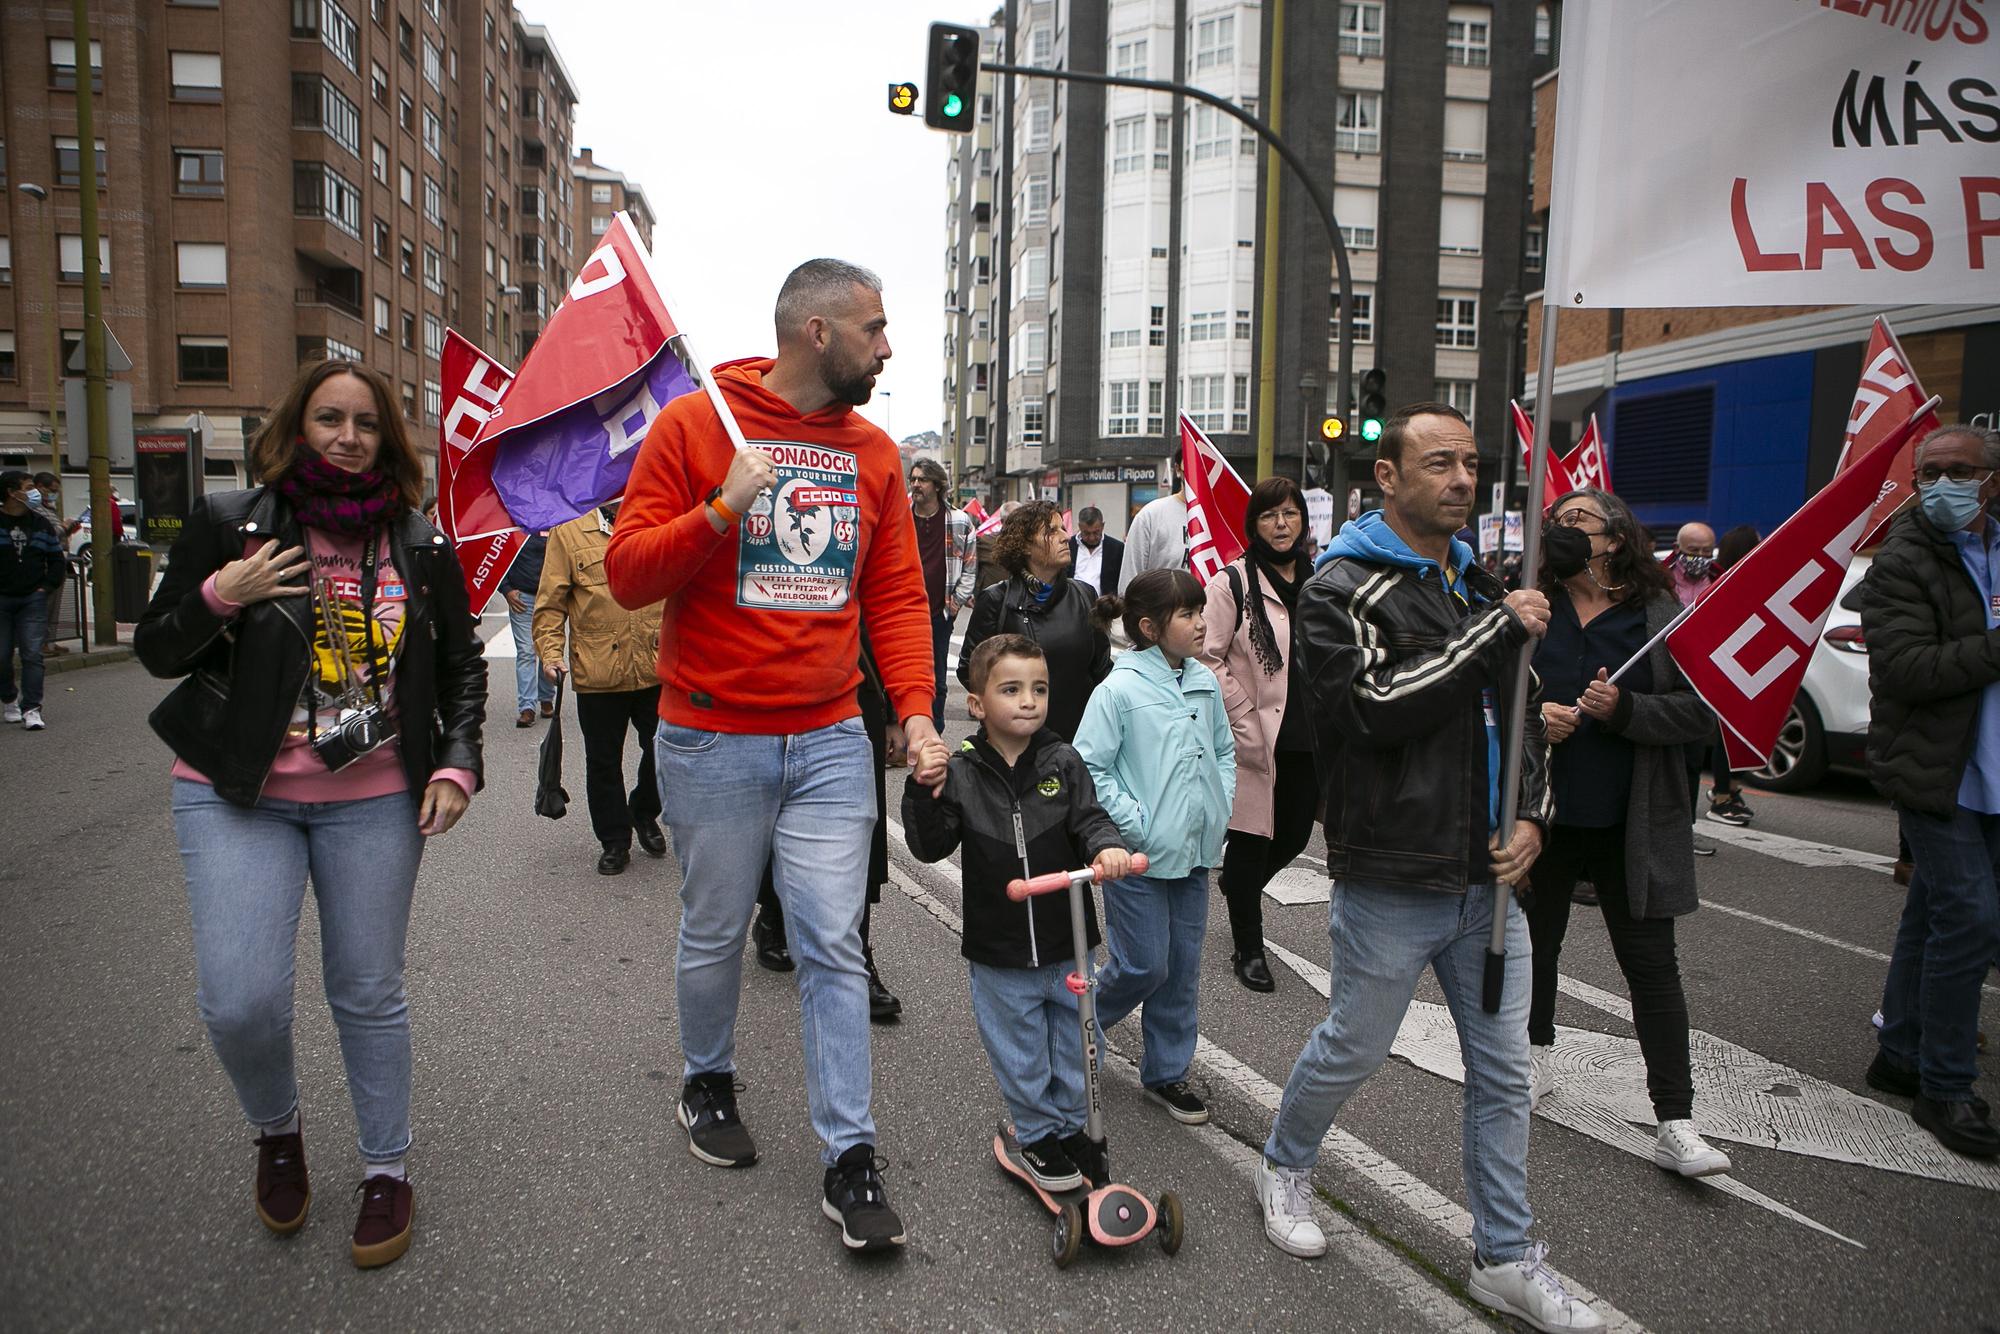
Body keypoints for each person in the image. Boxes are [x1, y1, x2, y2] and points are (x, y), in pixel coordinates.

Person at [603, 258, 942, 1253]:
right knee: (711, 928)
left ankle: (849, 1153)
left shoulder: (873, 453)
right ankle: (706, 1078)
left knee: (831, 939)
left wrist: (916, 712)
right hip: (710, 736)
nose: (887, 346)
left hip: (832, 736)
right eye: (874, 328)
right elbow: (625, 574)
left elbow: (894, 596)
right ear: (818, 333)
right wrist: (718, 511)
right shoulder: (695, 426)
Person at [133, 358, 486, 1269]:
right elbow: (158, 650)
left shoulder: (420, 541)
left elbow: (459, 668)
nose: (346, 436)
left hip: (371, 799)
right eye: (328, 418)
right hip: (234, 791)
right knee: (241, 1002)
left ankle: (385, 1168)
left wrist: (456, 761)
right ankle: (277, 1130)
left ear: (387, 439)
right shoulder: (229, 523)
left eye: (365, 423)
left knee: (367, 991)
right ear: (298, 427)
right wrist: (225, 594)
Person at [1258, 403, 1601, 1334]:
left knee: (1504, 1073)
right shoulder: (1342, 589)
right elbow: (1370, 706)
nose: (1460, 479)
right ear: (1389, 478)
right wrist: (1493, 633)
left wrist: (1532, 815)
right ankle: (1286, 1165)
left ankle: (1503, 1255)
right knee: (1355, 1045)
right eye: (1440, 463)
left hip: (1487, 885)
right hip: (1392, 877)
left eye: (1472, 464)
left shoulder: (1479, 583)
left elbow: (1520, 714)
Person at [1526, 488, 1734, 1178]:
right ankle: (1534, 1060)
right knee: (1534, 949)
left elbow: (1701, 715)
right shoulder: (1532, 608)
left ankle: (1676, 1121)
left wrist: (1625, 709)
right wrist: (1538, 718)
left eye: (1577, 520)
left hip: (1629, 826)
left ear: (1616, 539)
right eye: (1556, 522)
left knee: (1652, 970)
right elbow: (1489, 698)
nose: (1562, 529)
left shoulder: (1659, 618)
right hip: (1545, 818)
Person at [902, 635, 1131, 1189]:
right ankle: (1034, 1133)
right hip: (1000, 949)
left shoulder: (1063, 760)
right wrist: (922, 790)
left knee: (1079, 1043)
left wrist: (1105, 846)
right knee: (1022, 1051)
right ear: (977, 704)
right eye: (1011, 689)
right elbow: (930, 846)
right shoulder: (960, 771)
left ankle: (1074, 1126)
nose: (1029, 701)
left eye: (1039, 689)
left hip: (1067, 941)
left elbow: (1088, 819)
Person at [1859, 423, 2000, 1160]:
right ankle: (1946, 1086)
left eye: (1961, 471)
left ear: (1992, 481)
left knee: (1934, 913)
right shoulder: (1901, 562)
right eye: (1930, 473)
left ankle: (1900, 1052)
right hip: (1935, 772)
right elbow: (1910, 668)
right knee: (1972, 918)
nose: (1944, 484)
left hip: (1994, 774)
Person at [1073, 569, 1234, 1127]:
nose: (1200, 622)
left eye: (1199, 611)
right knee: (1144, 964)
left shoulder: (1205, 681)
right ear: (1149, 626)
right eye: (1188, 613)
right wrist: (1135, 824)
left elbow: (1223, 751)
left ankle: (1166, 1072)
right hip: (1137, 858)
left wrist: (1219, 805)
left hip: (1192, 852)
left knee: (1182, 968)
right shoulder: (1118, 689)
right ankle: (1079, 1027)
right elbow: (1088, 767)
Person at [1199, 477, 1317, 994]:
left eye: (1290, 514)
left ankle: (1237, 889)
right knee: (1250, 842)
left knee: (1292, 834)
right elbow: (1208, 657)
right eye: (1270, 516)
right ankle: (1249, 947)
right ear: (1255, 524)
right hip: (1252, 734)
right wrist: (1241, 714)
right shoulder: (1233, 583)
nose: (1281, 524)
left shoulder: (1323, 579)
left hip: (1309, 734)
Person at [751, 631, 905, 1022]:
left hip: (855, 688)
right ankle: (773, 910)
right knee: (775, 812)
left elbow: (886, 623)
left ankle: (858, 957)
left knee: (858, 834)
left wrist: (894, 713)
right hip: (774, 685)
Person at [534, 502, 668, 876]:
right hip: (598, 669)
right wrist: (549, 653)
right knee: (603, 761)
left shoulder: (656, 518)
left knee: (665, 751)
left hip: (657, 665)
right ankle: (614, 840)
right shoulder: (569, 530)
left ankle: (643, 811)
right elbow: (549, 604)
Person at [958, 500, 1112, 742]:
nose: (1065, 537)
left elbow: (1102, 669)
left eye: (1063, 529)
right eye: (1052, 531)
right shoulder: (997, 599)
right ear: (1025, 546)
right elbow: (969, 669)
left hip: (1079, 739)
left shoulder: (1085, 595)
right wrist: (1007, 707)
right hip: (1014, 742)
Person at [907, 456, 975, 729]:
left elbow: (970, 568)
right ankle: (902, 730)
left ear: (937, 485)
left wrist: (955, 604)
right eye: (913, 479)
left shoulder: (959, 521)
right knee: (902, 675)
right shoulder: (900, 515)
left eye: (922, 479)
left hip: (939, 612)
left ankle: (934, 732)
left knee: (936, 679)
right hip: (904, 611)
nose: (915, 485)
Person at [0, 470, 64, 730]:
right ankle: (9, 699)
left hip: (32, 599)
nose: (34, 492)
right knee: (2, 655)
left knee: (32, 654)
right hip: (2, 599)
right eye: (28, 487)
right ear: (11, 492)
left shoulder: (40, 524)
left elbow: (56, 560)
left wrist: (45, 588)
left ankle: (32, 708)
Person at [501, 528, 556, 727]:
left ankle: (547, 697)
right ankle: (527, 707)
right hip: (522, 599)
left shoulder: (556, 522)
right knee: (526, 651)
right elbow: (499, 557)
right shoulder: (514, 525)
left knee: (546, 650)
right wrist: (506, 590)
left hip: (550, 599)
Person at [1118, 469, 1188, 594]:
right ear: (1178, 469)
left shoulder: (1224, 517)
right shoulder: (1151, 515)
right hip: (1160, 610)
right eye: (1188, 462)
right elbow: (1130, 579)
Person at [28, 473, 68, 656]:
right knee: (45, 605)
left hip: (57, 562)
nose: (54, 494)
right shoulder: (34, 509)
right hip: (44, 564)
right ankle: (42, 643)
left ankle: (50, 641)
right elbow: (48, 533)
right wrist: (64, 527)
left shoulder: (48, 509)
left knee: (54, 607)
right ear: (39, 487)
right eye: (51, 490)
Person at [1068, 505, 1124, 597]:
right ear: (1079, 527)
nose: (1091, 537)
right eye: (1086, 533)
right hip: (1073, 605)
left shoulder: (1117, 549)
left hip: (1105, 607)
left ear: (1102, 526)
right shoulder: (1068, 546)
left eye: (1096, 532)